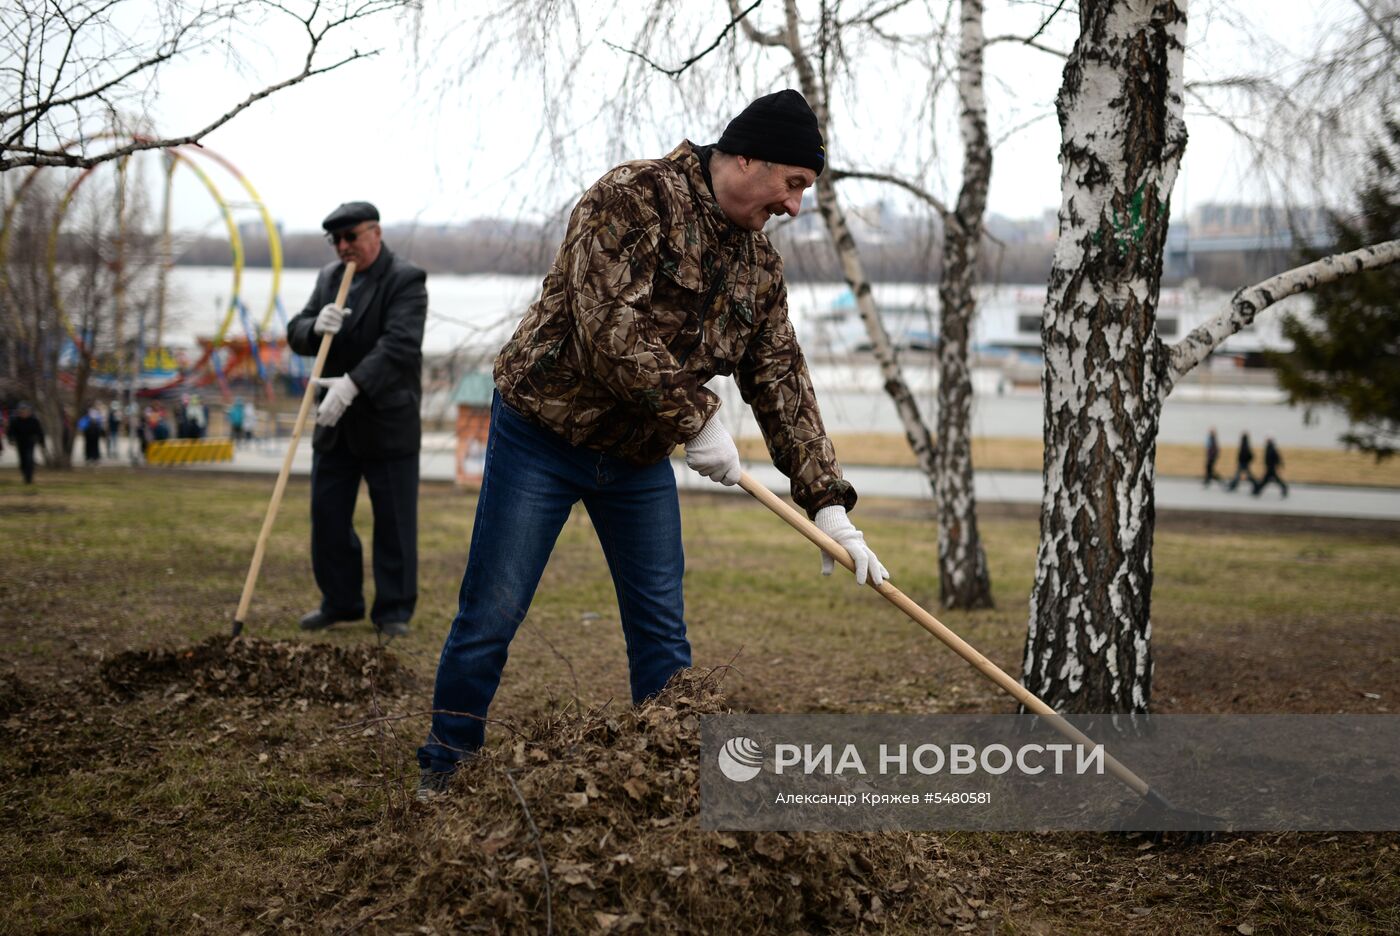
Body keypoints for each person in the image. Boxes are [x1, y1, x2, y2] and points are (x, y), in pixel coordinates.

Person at [416, 90, 889, 798]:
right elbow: (608, 325)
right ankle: (446, 765)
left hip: (636, 458)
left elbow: (781, 377)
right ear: (747, 157)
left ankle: (672, 781)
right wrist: (696, 417)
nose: (795, 207)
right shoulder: (632, 198)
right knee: (492, 610)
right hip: (543, 435)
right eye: (793, 184)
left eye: (805, 192)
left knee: (662, 632)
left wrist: (827, 502)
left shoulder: (759, 268)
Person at [286, 201, 427, 640]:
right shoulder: (329, 278)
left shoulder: (406, 279)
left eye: (351, 237)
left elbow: (399, 346)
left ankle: (394, 611)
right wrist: (313, 327)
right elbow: (296, 330)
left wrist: (353, 384)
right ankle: (340, 601)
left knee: (394, 522)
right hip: (334, 423)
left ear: (376, 234)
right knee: (327, 517)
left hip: (386, 420)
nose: (343, 247)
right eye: (336, 240)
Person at [6, 402, 45, 484]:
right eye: (22, 411)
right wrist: (11, 439)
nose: (24, 413)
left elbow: (39, 432)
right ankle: (25, 474)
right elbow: (10, 432)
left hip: (30, 443)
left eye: (26, 411)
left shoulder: (34, 421)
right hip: (20, 443)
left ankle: (29, 477)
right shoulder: (15, 421)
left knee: (29, 459)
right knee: (23, 461)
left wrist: (42, 442)